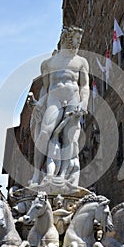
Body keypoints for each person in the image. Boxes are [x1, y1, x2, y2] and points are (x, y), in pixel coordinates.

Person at [28, 26, 89, 186]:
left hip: (73, 98)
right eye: (76, 39)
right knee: (44, 133)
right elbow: (45, 89)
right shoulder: (48, 64)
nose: (78, 43)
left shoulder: (81, 62)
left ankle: (64, 177)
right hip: (54, 98)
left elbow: (84, 86)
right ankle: (36, 175)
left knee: (71, 137)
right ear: (67, 38)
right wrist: (38, 104)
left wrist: (83, 103)